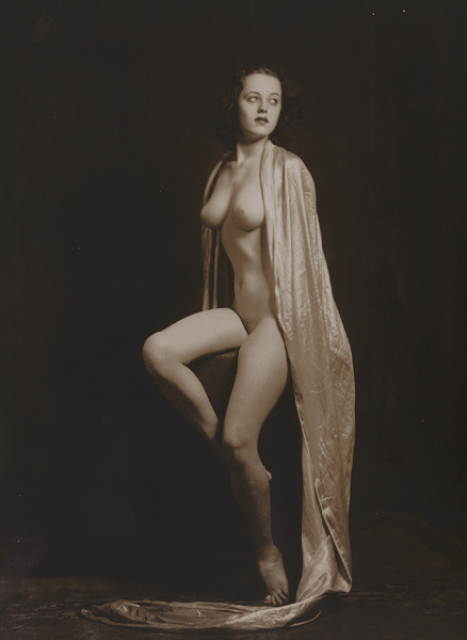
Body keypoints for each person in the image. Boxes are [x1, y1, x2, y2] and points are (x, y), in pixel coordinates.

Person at [142, 67, 355, 613]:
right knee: (158, 351)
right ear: (233, 104)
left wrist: (305, 334)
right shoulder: (222, 168)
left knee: (244, 441)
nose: (263, 109)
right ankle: (233, 458)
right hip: (237, 314)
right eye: (253, 98)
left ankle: (266, 551)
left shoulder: (290, 169)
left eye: (274, 101)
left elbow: (308, 267)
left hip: (277, 325)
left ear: (283, 109)